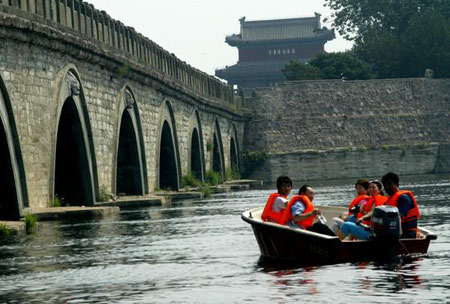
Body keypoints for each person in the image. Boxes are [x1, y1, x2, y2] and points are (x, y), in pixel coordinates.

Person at [382, 172, 420, 238]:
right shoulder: (389, 199)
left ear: (396, 184)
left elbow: (401, 215)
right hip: (394, 231)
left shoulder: (403, 197)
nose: (387, 187)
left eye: (389, 185)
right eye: (385, 185)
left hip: (408, 232)